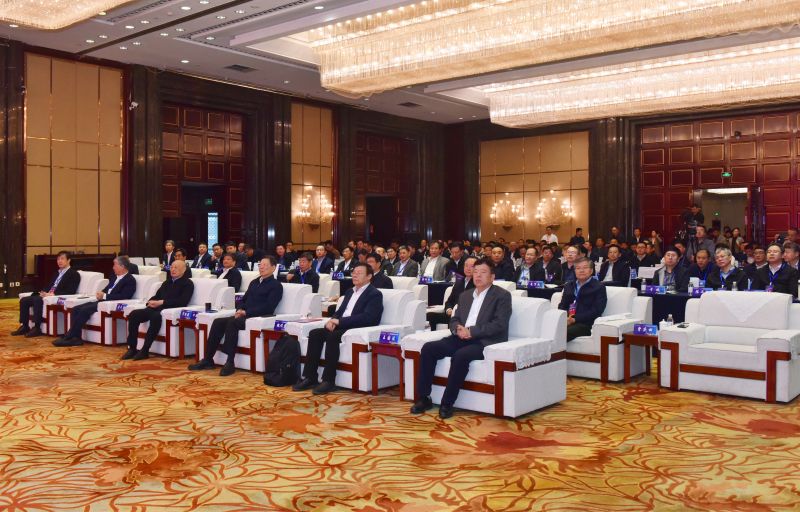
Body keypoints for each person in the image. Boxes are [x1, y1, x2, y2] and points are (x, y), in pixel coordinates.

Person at [411, 258, 512, 419]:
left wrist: (471, 331)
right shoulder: (465, 295)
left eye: (483, 272)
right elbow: (455, 318)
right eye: (476, 271)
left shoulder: (502, 296)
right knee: (429, 348)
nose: (478, 275)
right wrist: (457, 329)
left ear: (492, 276)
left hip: (483, 341)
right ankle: (424, 397)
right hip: (460, 337)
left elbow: (499, 324)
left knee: (460, 356)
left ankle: (447, 402)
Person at [292, 263, 384, 395]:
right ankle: (310, 377)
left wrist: (340, 321)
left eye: (359, 273)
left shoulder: (374, 294)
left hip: (355, 327)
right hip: (341, 324)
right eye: (353, 273)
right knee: (315, 334)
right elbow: (340, 311)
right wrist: (333, 320)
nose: (355, 275)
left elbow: (369, 318)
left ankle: (328, 380)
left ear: (369, 276)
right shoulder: (350, 291)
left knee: (332, 336)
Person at [189, 256, 283, 376]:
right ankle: (208, 359)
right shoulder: (254, 282)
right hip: (243, 315)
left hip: (256, 317)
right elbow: (243, 299)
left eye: (265, 265)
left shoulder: (276, 285)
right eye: (260, 265)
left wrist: (246, 313)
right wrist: (239, 310)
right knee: (218, 322)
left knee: (232, 323)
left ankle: (230, 361)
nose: (261, 267)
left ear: (273, 268)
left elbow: (269, 307)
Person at [52, 256, 137, 347]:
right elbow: (106, 290)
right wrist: (101, 293)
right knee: (75, 309)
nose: (113, 268)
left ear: (122, 266)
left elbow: (124, 296)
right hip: (101, 301)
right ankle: (76, 338)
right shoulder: (115, 278)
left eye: (115, 266)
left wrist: (104, 296)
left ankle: (68, 336)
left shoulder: (130, 280)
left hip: (108, 303)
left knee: (84, 310)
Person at [123, 260, 194, 361]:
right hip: (157, 307)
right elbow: (157, 296)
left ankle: (145, 349)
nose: (173, 270)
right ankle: (132, 348)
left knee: (155, 316)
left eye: (176, 267)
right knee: (134, 314)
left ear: (183, 270)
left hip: (168, 310)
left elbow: (182, 301)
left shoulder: (188, 284)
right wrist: (151, 302)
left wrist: (162, 302)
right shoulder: (167, 282)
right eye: (171, 267)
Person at [12, 251, 80, 338]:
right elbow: (49, 286)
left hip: (56, 296)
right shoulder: (57, 273)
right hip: (48, 294)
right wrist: (43, 292)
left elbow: (70, 291)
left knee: (37, 300)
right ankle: (25, 326)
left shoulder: (74, 274)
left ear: (69, 260)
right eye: (58, 259)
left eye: (62, 259)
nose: (59, 261)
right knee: (24, 300)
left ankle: (37, 327)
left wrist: (52, 294)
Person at [558, 257, 608, 341]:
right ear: (575, 271)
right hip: (567, 320)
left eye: (585, 268)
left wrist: (575, 319)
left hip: (586, 323)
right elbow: (562, 305)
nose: (581, 270)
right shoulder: (569, 286)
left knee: (562, 332)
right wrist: (566, 318)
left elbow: (596, 311)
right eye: (578, 268)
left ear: (591, 270)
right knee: (548, 328)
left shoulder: (598, 287)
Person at [427, 256, 478, 330]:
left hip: (465, 315)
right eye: (466, 266)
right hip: (452, 314)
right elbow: (449, 301)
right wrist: (449, 309)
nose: (468, 268)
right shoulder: (459, 283)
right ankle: (433, 335)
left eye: (472, 266)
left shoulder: (478, 284)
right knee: (430, 316)